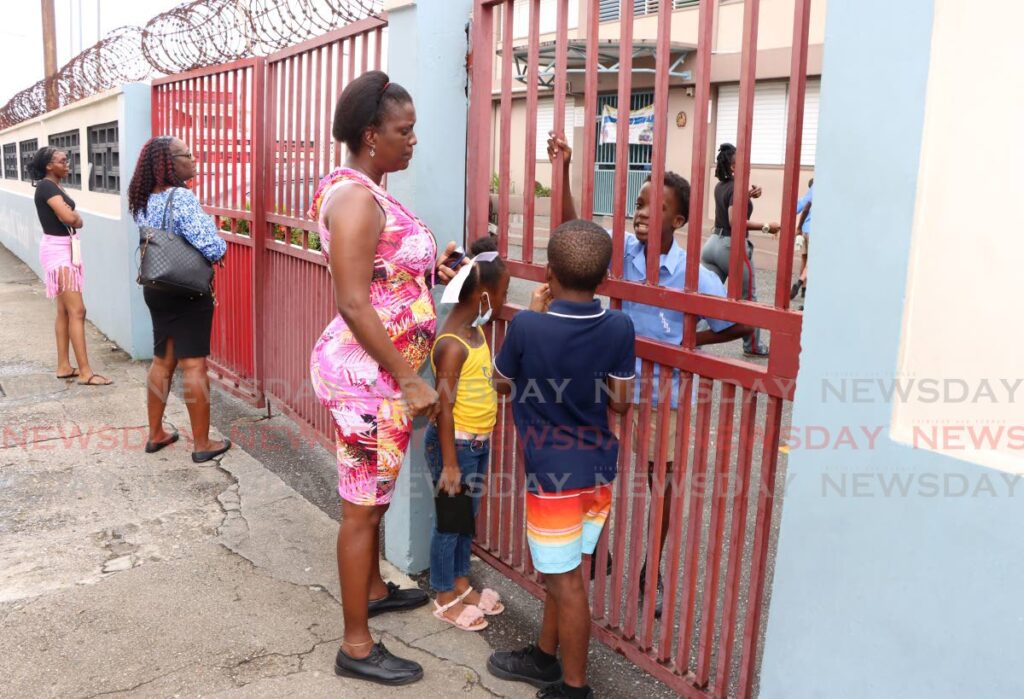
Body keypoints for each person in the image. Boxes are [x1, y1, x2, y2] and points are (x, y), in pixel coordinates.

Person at [546, 133, 752, 616]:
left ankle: (651, 568)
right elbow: (574, 237)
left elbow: (737, 322)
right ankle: (597, 550)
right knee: (594, 474)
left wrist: (691, 342)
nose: (640, 212)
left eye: (653, 206)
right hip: (610, 389)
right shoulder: (619, 254)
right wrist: (564, 171)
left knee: (662, 486)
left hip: (664, 396)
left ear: (678, 220)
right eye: (637, 203)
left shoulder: (695, 274)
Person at [308, 69, 464, 687]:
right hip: (367, 381)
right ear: (372, 135)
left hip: (378, 377)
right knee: (362, 513)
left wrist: (435, 267)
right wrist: (409, 377)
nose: (413, 140)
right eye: (405, 130)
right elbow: (352, 301)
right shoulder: (353, 199)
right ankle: (355, 644)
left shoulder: (371, 189)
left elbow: (383, 274)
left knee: (372, 499)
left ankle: (373, 588)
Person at [487, 219, 636, 699]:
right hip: (596, 472)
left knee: (566, 581)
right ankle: (544, 659)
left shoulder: (528, 326)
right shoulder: (619, 325)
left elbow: (501, 382)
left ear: (548, 273)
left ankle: (574, 689)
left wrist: (528, 315)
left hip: (554, 478)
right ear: (605, 279)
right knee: (566, 570)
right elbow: (621, 400)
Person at [128, 136, 232, 462]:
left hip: (155, 286)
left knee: (162, 361)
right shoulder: (181, 197)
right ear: (169, 163)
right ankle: (202, 444)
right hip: (187, 291)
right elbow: (209, 243)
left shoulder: (143, 198)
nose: (193, 159)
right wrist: (220, 249)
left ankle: (156, 433)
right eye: (186, 154)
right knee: (193, 364)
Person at [426, 236, 510, 631]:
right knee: (450, 522)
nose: (504, 303)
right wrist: (450, 464)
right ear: (482, 295)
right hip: (455, 447)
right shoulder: (453, 345)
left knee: (466, 518)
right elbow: (443, 407)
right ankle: (444, 594)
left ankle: (461, 583)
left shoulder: (476, 334)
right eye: (502, 295)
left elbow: (490, 381)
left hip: (476, 443)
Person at [31, 146, 111, 386]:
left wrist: (74, 216)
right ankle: (86, 372)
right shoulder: (46, 186)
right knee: (78, 311)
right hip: (58, 252)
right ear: (48, 165)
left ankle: (64, 366)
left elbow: (71, 216)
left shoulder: (54, 186)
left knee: (65, 311)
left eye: (67, 160)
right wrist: (74, 216)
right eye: (62, 161)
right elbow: (70, 218)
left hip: (64, 248)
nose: (68, 164)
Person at [700, 143, 780, 356]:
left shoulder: (722, 186)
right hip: (730, 248)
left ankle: (689, 335)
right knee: (749, 299)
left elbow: (732, 202)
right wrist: (766, 226)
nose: (749, 165)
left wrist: (748, 195)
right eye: (744, 162)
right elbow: (735, 222)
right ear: (734, 166)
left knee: (705, 296)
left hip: (712, 245)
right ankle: (753, 347)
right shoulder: (736, 188)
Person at [791, 177, 813, 302]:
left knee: (804, 259)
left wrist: (798, 227)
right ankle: (801, 283)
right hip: (813, 231)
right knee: (812, 261)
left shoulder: (807, 195)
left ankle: (803, 290)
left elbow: (797, 208)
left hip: (804, 230)